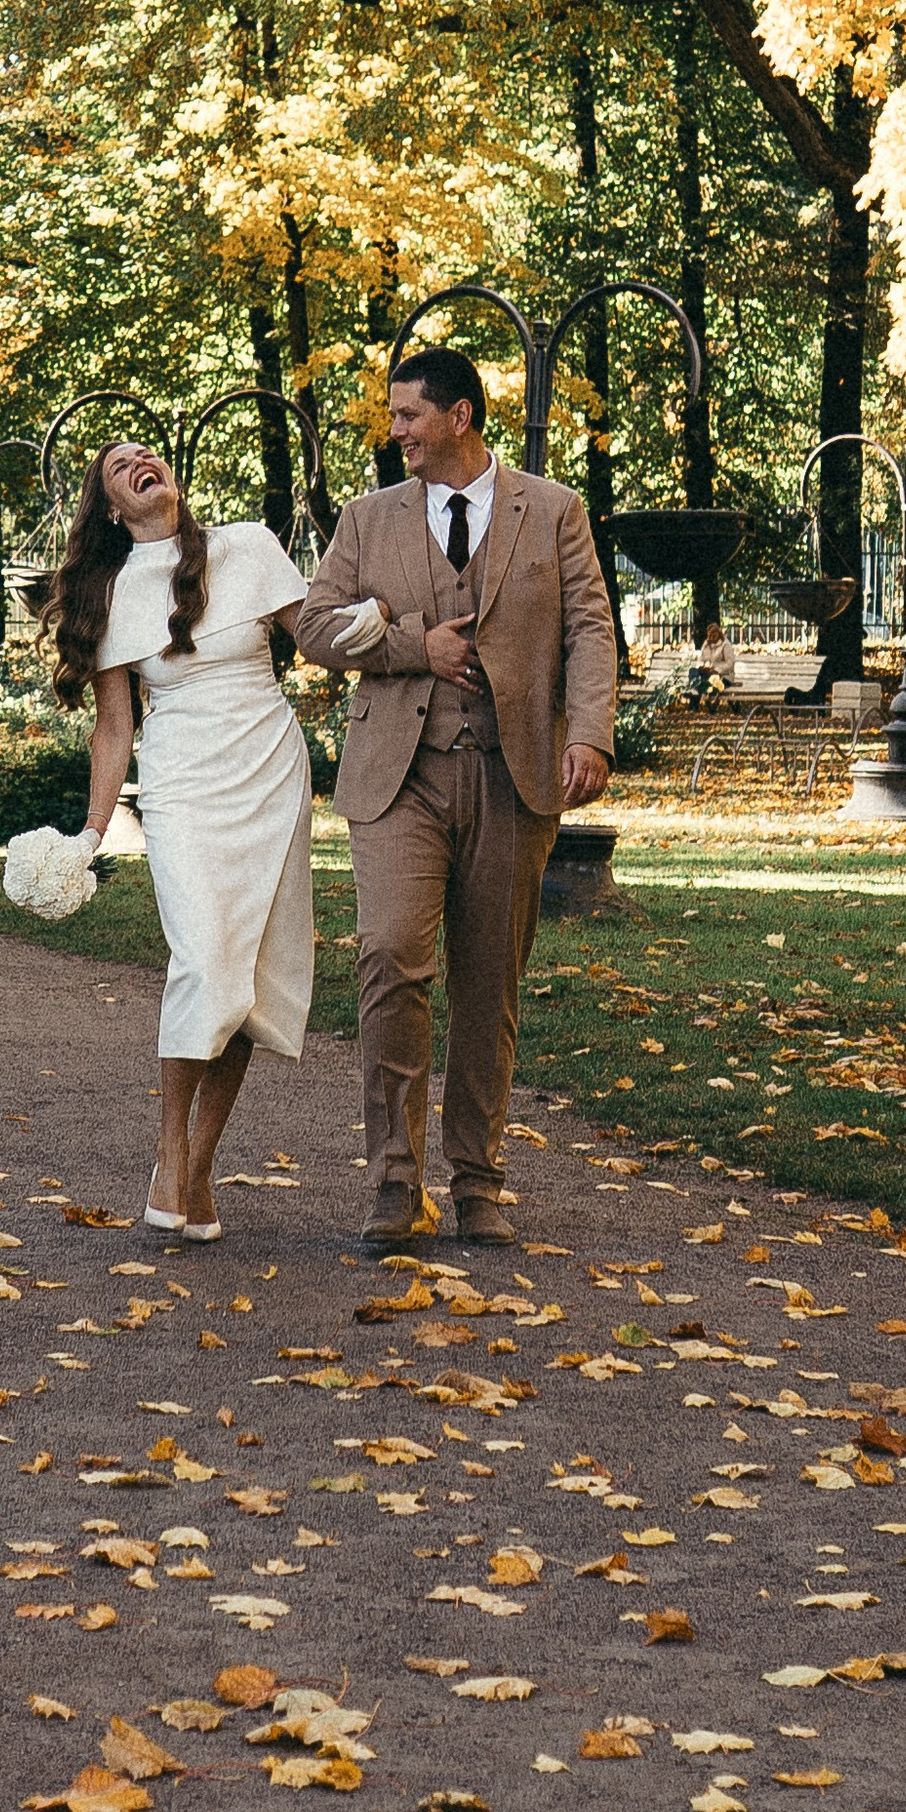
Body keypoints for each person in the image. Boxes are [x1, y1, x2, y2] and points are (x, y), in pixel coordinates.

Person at [296, 346, 616, 1251]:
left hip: (514, 774)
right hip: (400, 773)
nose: (393, 432)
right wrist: (409, 646)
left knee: (490, 983)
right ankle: (395, 1185)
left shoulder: (551, 510)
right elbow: (316, 627)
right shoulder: (366, 519)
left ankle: (478, 1182)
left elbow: (591, 626)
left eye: (407, 417)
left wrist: (589, 732)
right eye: (393, 417)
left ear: (461, 416)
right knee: (391, 960)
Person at [45, 442, 315, 1238]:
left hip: (270, 773)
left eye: (148, 451)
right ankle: (170, 1151)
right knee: (204, 962)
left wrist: (391, 624)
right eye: (119, 465)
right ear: (111, 508)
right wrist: (93, 831)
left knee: (248, 982)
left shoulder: (249, 549)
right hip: (184, 788)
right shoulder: (107, 591)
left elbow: (325, 638)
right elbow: (114, 726)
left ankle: (199, 1167)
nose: (141, 461)